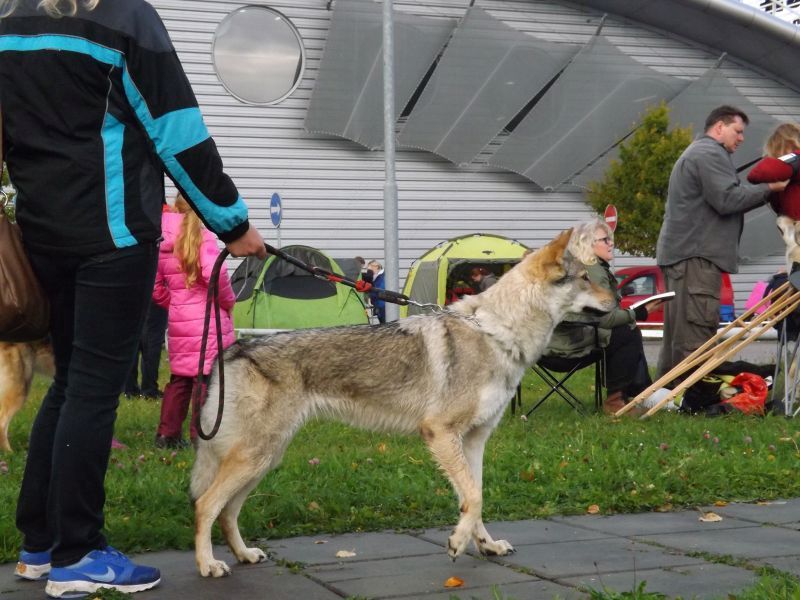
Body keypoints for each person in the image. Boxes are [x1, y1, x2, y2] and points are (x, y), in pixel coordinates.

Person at [2, 0, 267, 597]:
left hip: (41, 234)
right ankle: (79, 556)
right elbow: (178, 131)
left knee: (70, 385)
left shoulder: (9, 19)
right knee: (91, 391)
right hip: (112, 237)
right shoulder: (124, 17)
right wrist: (231, 223)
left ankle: (39, 546)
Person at [655, 105, 788, 378]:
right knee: (696, 332)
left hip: (686, 255)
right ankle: (694, 394)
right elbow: (727, 199)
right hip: (696, 257)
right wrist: (771, 188)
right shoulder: (709, 153)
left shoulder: (700, 152)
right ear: (719, 127)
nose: (741, 138)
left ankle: (669, 392)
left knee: (680, 332)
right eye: (737, 131)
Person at [546, 220, 664, 414]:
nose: (611, 243)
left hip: (548, 345)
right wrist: (641, 312)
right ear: (587, 244)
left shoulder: (574, 267)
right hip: (567, 347)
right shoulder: (592, 272)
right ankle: (617, 400)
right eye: (605, 239)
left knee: (626, 329)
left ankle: (638, 394)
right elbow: (606, 319)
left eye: (610, 239)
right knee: (626, 333)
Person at [152, 194, 236, 449]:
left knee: (179, 380)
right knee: (206, 380)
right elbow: (216, 273)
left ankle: (167, 435)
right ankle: (200, 436)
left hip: (179, 322)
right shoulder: (203, 236)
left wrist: (176, 304)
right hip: (210, 321)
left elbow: (155, 288)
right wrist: (227, 301)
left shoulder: (161, 240)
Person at [123, 299, 168, 399]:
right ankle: (149, 389)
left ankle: (129, 388)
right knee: (151, 341)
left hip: (130, 294)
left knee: (133, 340)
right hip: (154, 297)